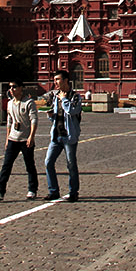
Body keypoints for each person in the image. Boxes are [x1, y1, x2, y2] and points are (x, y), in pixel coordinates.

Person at [0, 80, 39, 201]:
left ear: (21, 88)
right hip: (13, 139)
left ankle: (32, 189)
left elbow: (34, 120)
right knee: (6, 165)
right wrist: (7, 138)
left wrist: (31, 136)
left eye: (14, 87)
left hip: (25, 138)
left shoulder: (29, 102)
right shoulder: (10, 103)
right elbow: (9, 121)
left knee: (29, 165)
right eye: (10, 87)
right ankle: (0, 190)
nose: (12, 89)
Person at [43, 69, 82, 201]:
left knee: (71, 164)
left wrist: (64, 99)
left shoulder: (75, 96)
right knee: (48, 162)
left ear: (66, 80)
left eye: (58, 80)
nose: (55, 83)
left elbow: (72, 110)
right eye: (54, 80)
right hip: (56, 136)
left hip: (69, 136)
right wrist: (51, 116)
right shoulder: (56, 96)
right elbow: (58, 115)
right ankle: (53, 191)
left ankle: (73, 192)